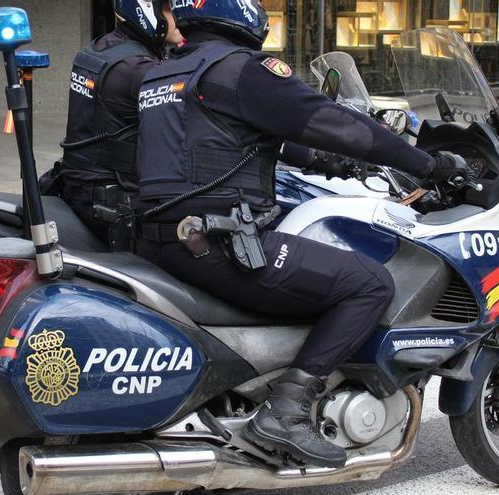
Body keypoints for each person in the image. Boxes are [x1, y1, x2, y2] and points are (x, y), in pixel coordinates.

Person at [134, 0, 467, 467]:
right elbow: (338, 123)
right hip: (219, 243)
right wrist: (428, 165)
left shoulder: (166, 75)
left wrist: (334, 162)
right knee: (369, 284)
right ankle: (285, 412)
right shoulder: (244, 70)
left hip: (164, 240)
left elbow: (239, 139)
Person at [41, 0, 183, 250]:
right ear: (146, 10)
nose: (180, 18)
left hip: (79, 185)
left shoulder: (100, 49)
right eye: (171, 9)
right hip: (113, 201)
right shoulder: (137, 69)